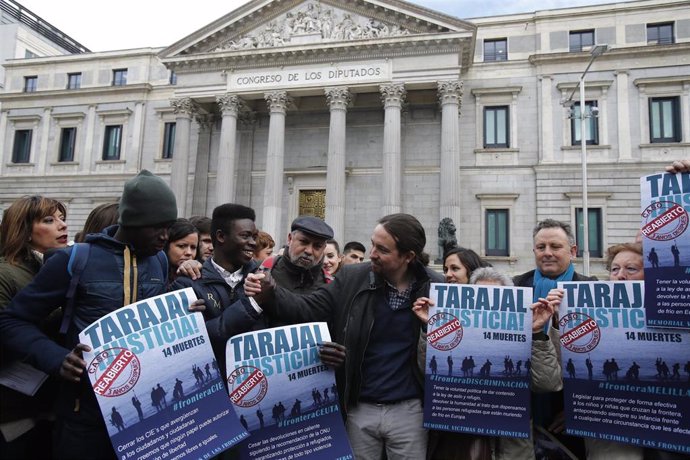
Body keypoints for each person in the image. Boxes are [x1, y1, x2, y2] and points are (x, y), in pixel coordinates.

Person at [0, 170, 203, 460]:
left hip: (143, 414)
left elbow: (152, 323)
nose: (165, 236)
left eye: (168, 226)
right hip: (83, 416)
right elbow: (11, 322)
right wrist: (56, 358)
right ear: (132, 221)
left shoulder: (158, 259)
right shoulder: (74, 260)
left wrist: (184, 313)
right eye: (157, 227)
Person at [246, 213, 443, 459]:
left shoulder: (436, 289)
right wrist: (270, 293)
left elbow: (449, 356)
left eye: (382, 249)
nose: (371, 253)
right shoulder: (352, 278)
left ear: (408, 256)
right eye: (372, 244)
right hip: (359, 409)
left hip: (410, 412)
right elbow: (306, 308)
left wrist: (430, 328)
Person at [513, 219, 595, 459]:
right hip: (523, 407)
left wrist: (580, 409)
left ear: (572, 251)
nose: (547, 253)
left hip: (568, 413)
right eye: (541, 247)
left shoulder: (593, 289)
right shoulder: (516, 287)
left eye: (555, 246)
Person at [0, 195, 68, 458]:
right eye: (49, 220)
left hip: (44, 403)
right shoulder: (5, 273)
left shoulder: (46, 267)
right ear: (24, 230)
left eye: (62, 218)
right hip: (12, 413)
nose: (61, 225)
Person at [172, 204, 265, 377]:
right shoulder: (187, 284)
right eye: (245, 236)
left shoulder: (264, 279)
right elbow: (192, 344)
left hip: (255, 386)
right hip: (212, 389)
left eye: (254, 236)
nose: (253, 243)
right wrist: (252, 305)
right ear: (221, 236)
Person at [259, 216, 334, 297]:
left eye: (317, 246)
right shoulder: (264, 273)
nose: (309, 251)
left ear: (324, 248)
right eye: (304, 242)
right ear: (290, 239)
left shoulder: (330, 286)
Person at [165, 218, 199, 286]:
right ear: (166, 245)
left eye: (193, 247)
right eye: (182, 246)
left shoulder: (200, 274)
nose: (189, 252)